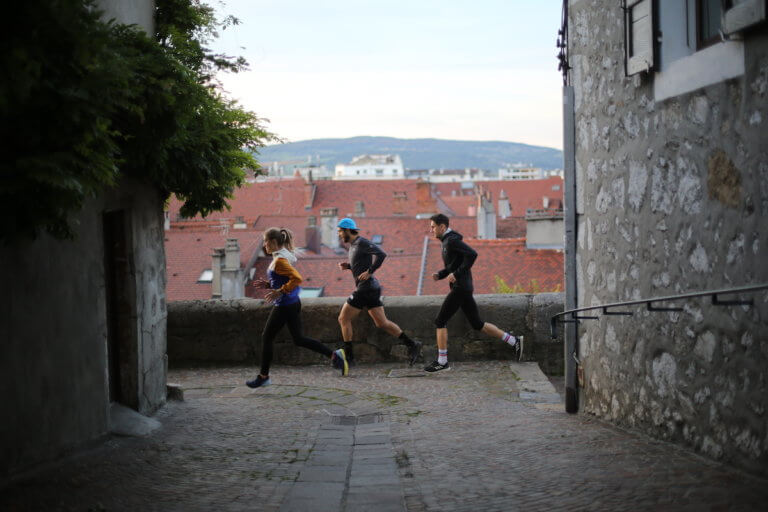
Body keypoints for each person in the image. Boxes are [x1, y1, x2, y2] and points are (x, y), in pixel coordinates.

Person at [247, 227, 348, 388]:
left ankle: (263, 376)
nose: (264, 245)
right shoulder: (281, 256)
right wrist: (269, 285)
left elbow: (297, 278)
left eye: (266, 242)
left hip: (285, 305)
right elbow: (283, 278)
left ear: (273, 242)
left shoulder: (280, 260)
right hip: (292, 302)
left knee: (267, 337)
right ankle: (334, 356)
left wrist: (280, 291)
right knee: (299, 339)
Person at [425, 213, 523, 372]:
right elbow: (453, 265)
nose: (431, 230)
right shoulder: (447, 241)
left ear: (442, 227)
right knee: (477, 324)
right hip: (464, 288)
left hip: (460, 288)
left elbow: (472, 254)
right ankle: (514, 341)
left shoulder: (452, 240)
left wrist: (456, 274)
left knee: (440, 321)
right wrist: (441, 274)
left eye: (433, 227)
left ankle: (442, 362)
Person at [336, 217, 422, 367]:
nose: (339, 234)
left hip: (365, 289)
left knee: (343, 318)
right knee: (382, 323)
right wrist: (349, 266)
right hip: (371, 289)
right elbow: (360, 264)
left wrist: (370, 271)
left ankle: (349, 357)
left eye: (340, 231)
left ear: (348, 230)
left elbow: (382, 254)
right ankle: (412, 344)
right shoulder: (353, 246)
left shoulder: (361, 242)